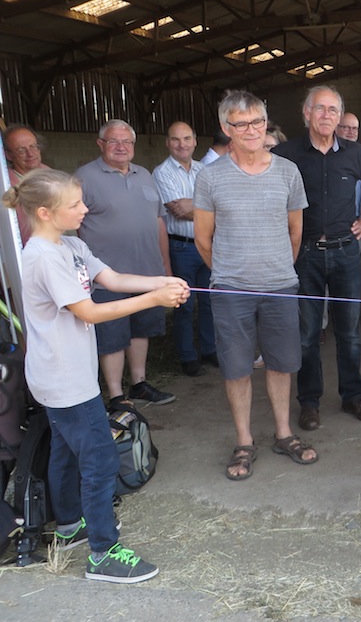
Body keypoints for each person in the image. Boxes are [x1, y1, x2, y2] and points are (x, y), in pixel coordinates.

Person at [5, 168, 188, 583]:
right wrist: (153, 300)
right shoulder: (42, 257)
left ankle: (70, 526)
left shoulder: (69, 244)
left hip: (70, 373)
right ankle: (103, 553)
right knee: (100, 458)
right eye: (75, 204)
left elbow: (112, 279)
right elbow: (88, 311)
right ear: (45, 212)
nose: (85, 209)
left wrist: (161, 281)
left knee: (67, 452)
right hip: (63, 379)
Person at [194, 89, 316, 481]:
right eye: (241, 123)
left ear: (267, 124)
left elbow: (296, 232)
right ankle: (244, 441)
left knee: (281, 363)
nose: (251, 130)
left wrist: (275, 268)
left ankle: (283, 433)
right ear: (225, 128)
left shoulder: (287, 171)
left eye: (258, 122)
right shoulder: (210, 176)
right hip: (230, 289)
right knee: (236, 367)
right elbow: (202, 238)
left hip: (280, 285)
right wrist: (231, 273)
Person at [273, 86, 361, 432]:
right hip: (303, 253)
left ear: (340, 116)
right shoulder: (285, 153)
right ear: (306, 113)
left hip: (345, 252)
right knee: (307, 334)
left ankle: (353, 395)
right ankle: (309, 403)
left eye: (332, 110)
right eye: (319, 108)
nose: (326, 115)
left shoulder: (355, 153)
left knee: (349, 332)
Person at [75, 119, 175, 409]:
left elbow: (158, 221)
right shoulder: (84, 178)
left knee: (140, 330)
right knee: (113, 335)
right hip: (108, 275)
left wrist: (164, 266)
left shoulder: (144, 174)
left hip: (147, 271)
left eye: (127, 142)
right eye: (113, 141)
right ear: (100, 144)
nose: (121, 147)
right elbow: (76, 226)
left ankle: (139, 384)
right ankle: (117, 395)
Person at [153, 121, 216, 377]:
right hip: (181, 247)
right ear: (168, 143)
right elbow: (177, 209)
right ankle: (188, 357)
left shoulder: (204, 169)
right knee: (185, 304)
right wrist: (207, 209)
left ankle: (209, 349)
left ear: (195, 141)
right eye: (176, 140)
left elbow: (215, 206)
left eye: (187, 139)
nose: (182, 144)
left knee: (210, 301)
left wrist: (196, 207)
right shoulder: (162, 172)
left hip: (208, 245)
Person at [3, 124, 50, 244]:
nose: (30, 154)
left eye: (33, 147)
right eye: (21, 150)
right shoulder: (5, 184)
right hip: (24, 253)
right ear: (8, 155)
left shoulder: (51, 175)